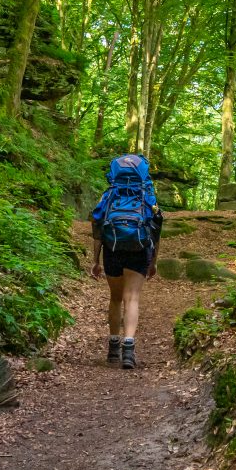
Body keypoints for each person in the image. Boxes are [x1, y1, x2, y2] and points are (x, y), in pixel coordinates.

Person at [89, 154, 163, 369]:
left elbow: (97, 228)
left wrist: (95, 260)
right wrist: (153, 261)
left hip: (112, 249)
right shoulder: (147, 196)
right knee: (132, 299)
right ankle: (128, 351)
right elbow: (156, 231)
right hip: (139, 249)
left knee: (115, 298)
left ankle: (113, 347)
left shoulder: (109, 195)